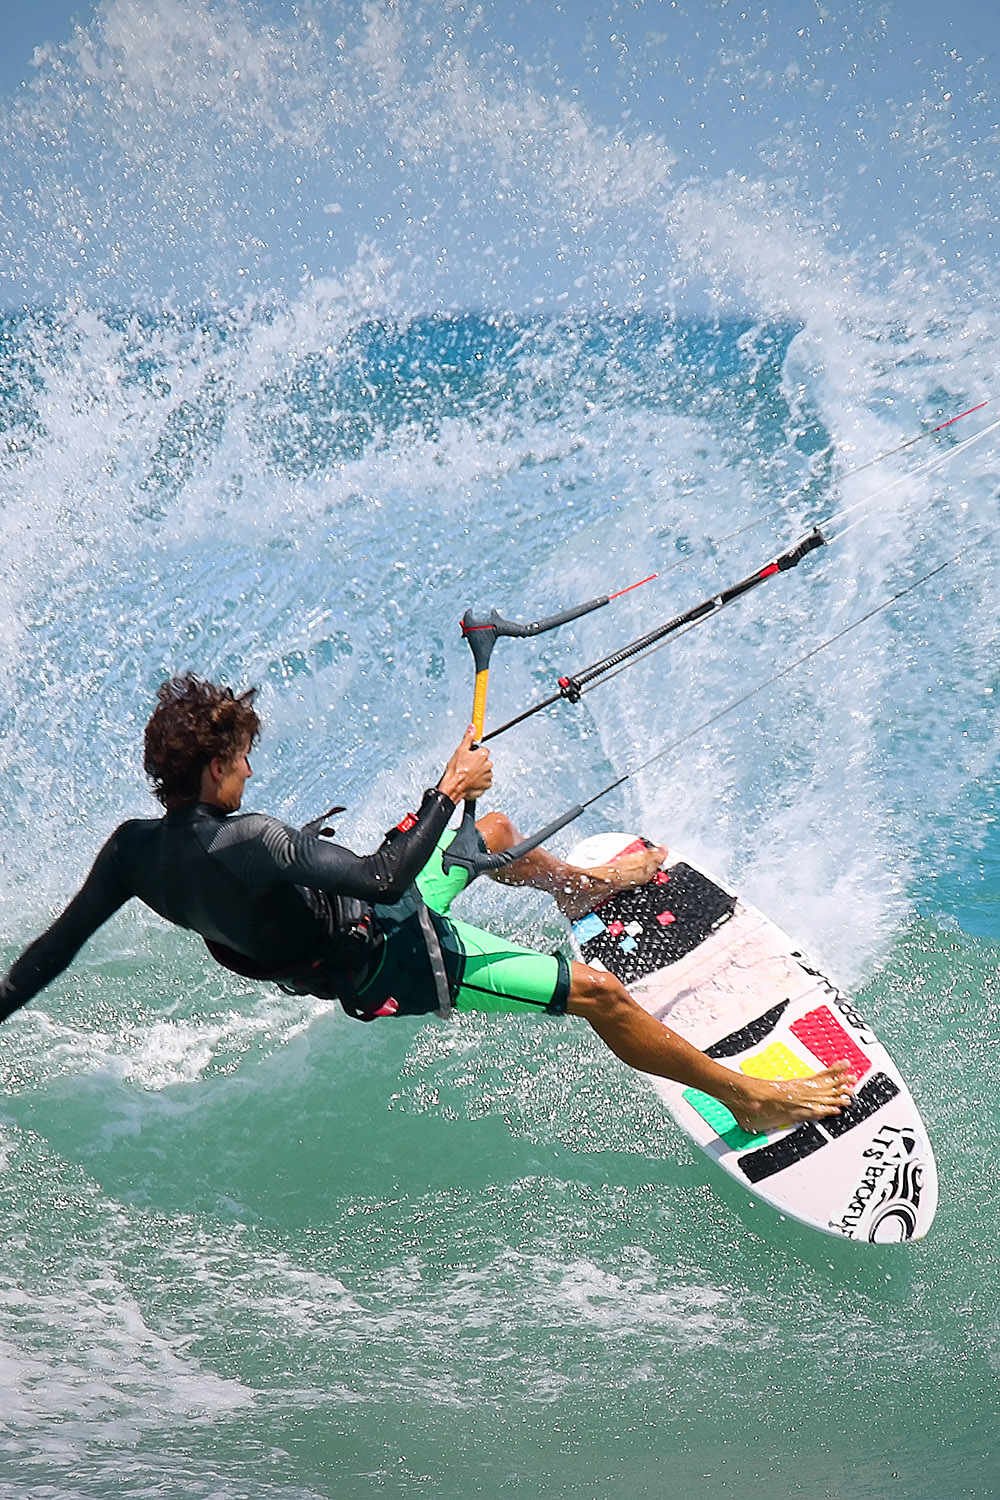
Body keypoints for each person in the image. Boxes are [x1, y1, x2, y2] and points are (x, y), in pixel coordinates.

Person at [0, 674, 855, 1134]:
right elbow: (381, 879)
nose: (252, 772)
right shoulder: (253, 838)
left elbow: (53, 951)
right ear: (216, 767)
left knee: (497, 834)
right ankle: (746, 1095)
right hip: (392, 956)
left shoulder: (132, 849)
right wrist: (446, 789)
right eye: (243, 759)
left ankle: (581, 888)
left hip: (358, 930)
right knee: (599, 995)